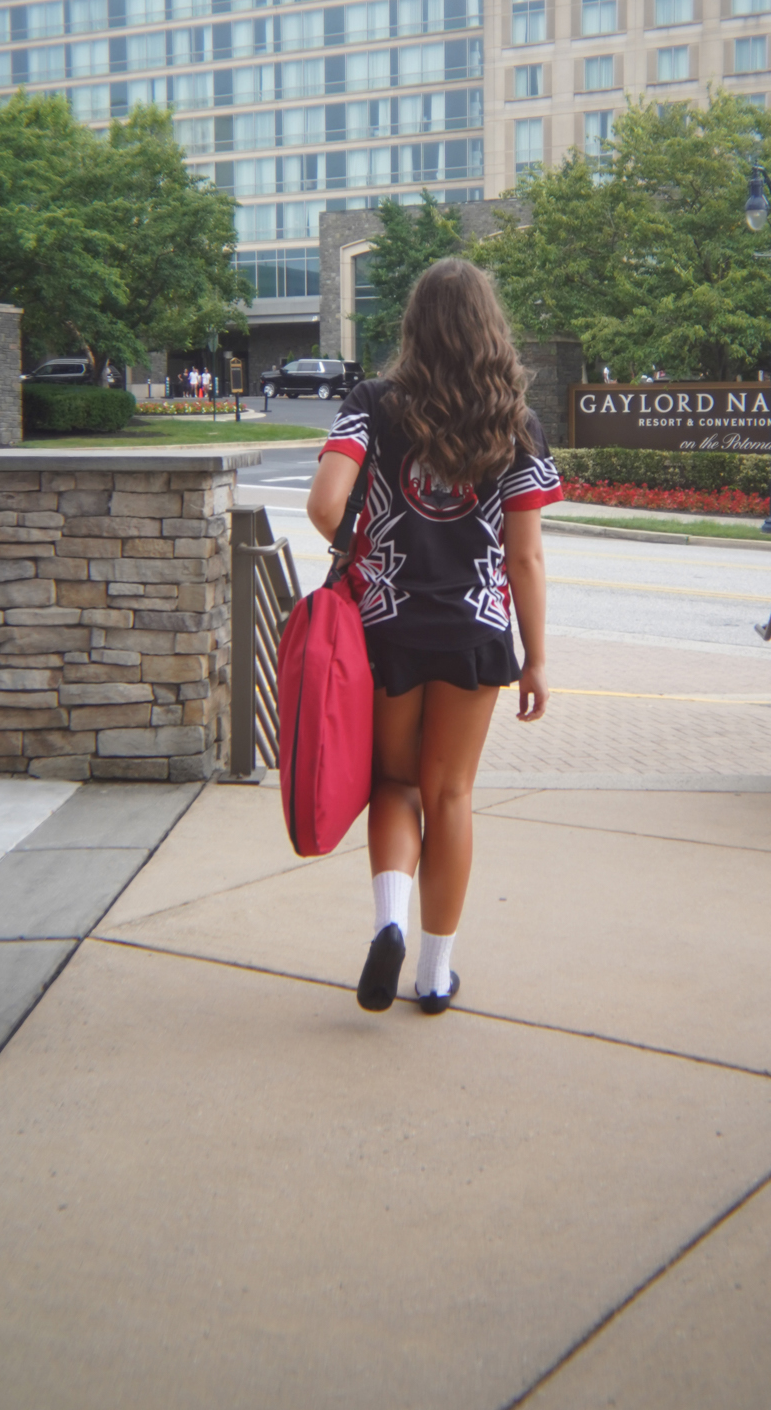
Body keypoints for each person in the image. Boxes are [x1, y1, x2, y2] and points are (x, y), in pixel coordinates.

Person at [307, 258, 561, 1016]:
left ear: (414, 326)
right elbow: (524, 556)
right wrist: (536, 658)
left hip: (387, 627)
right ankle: (433, 974)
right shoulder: (515, 423)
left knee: (394, 784)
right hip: (475, 631)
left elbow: (324, 504)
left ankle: (388, 921)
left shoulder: (371, 404)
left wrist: (363, 559)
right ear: (490, 328)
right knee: (450, 793)